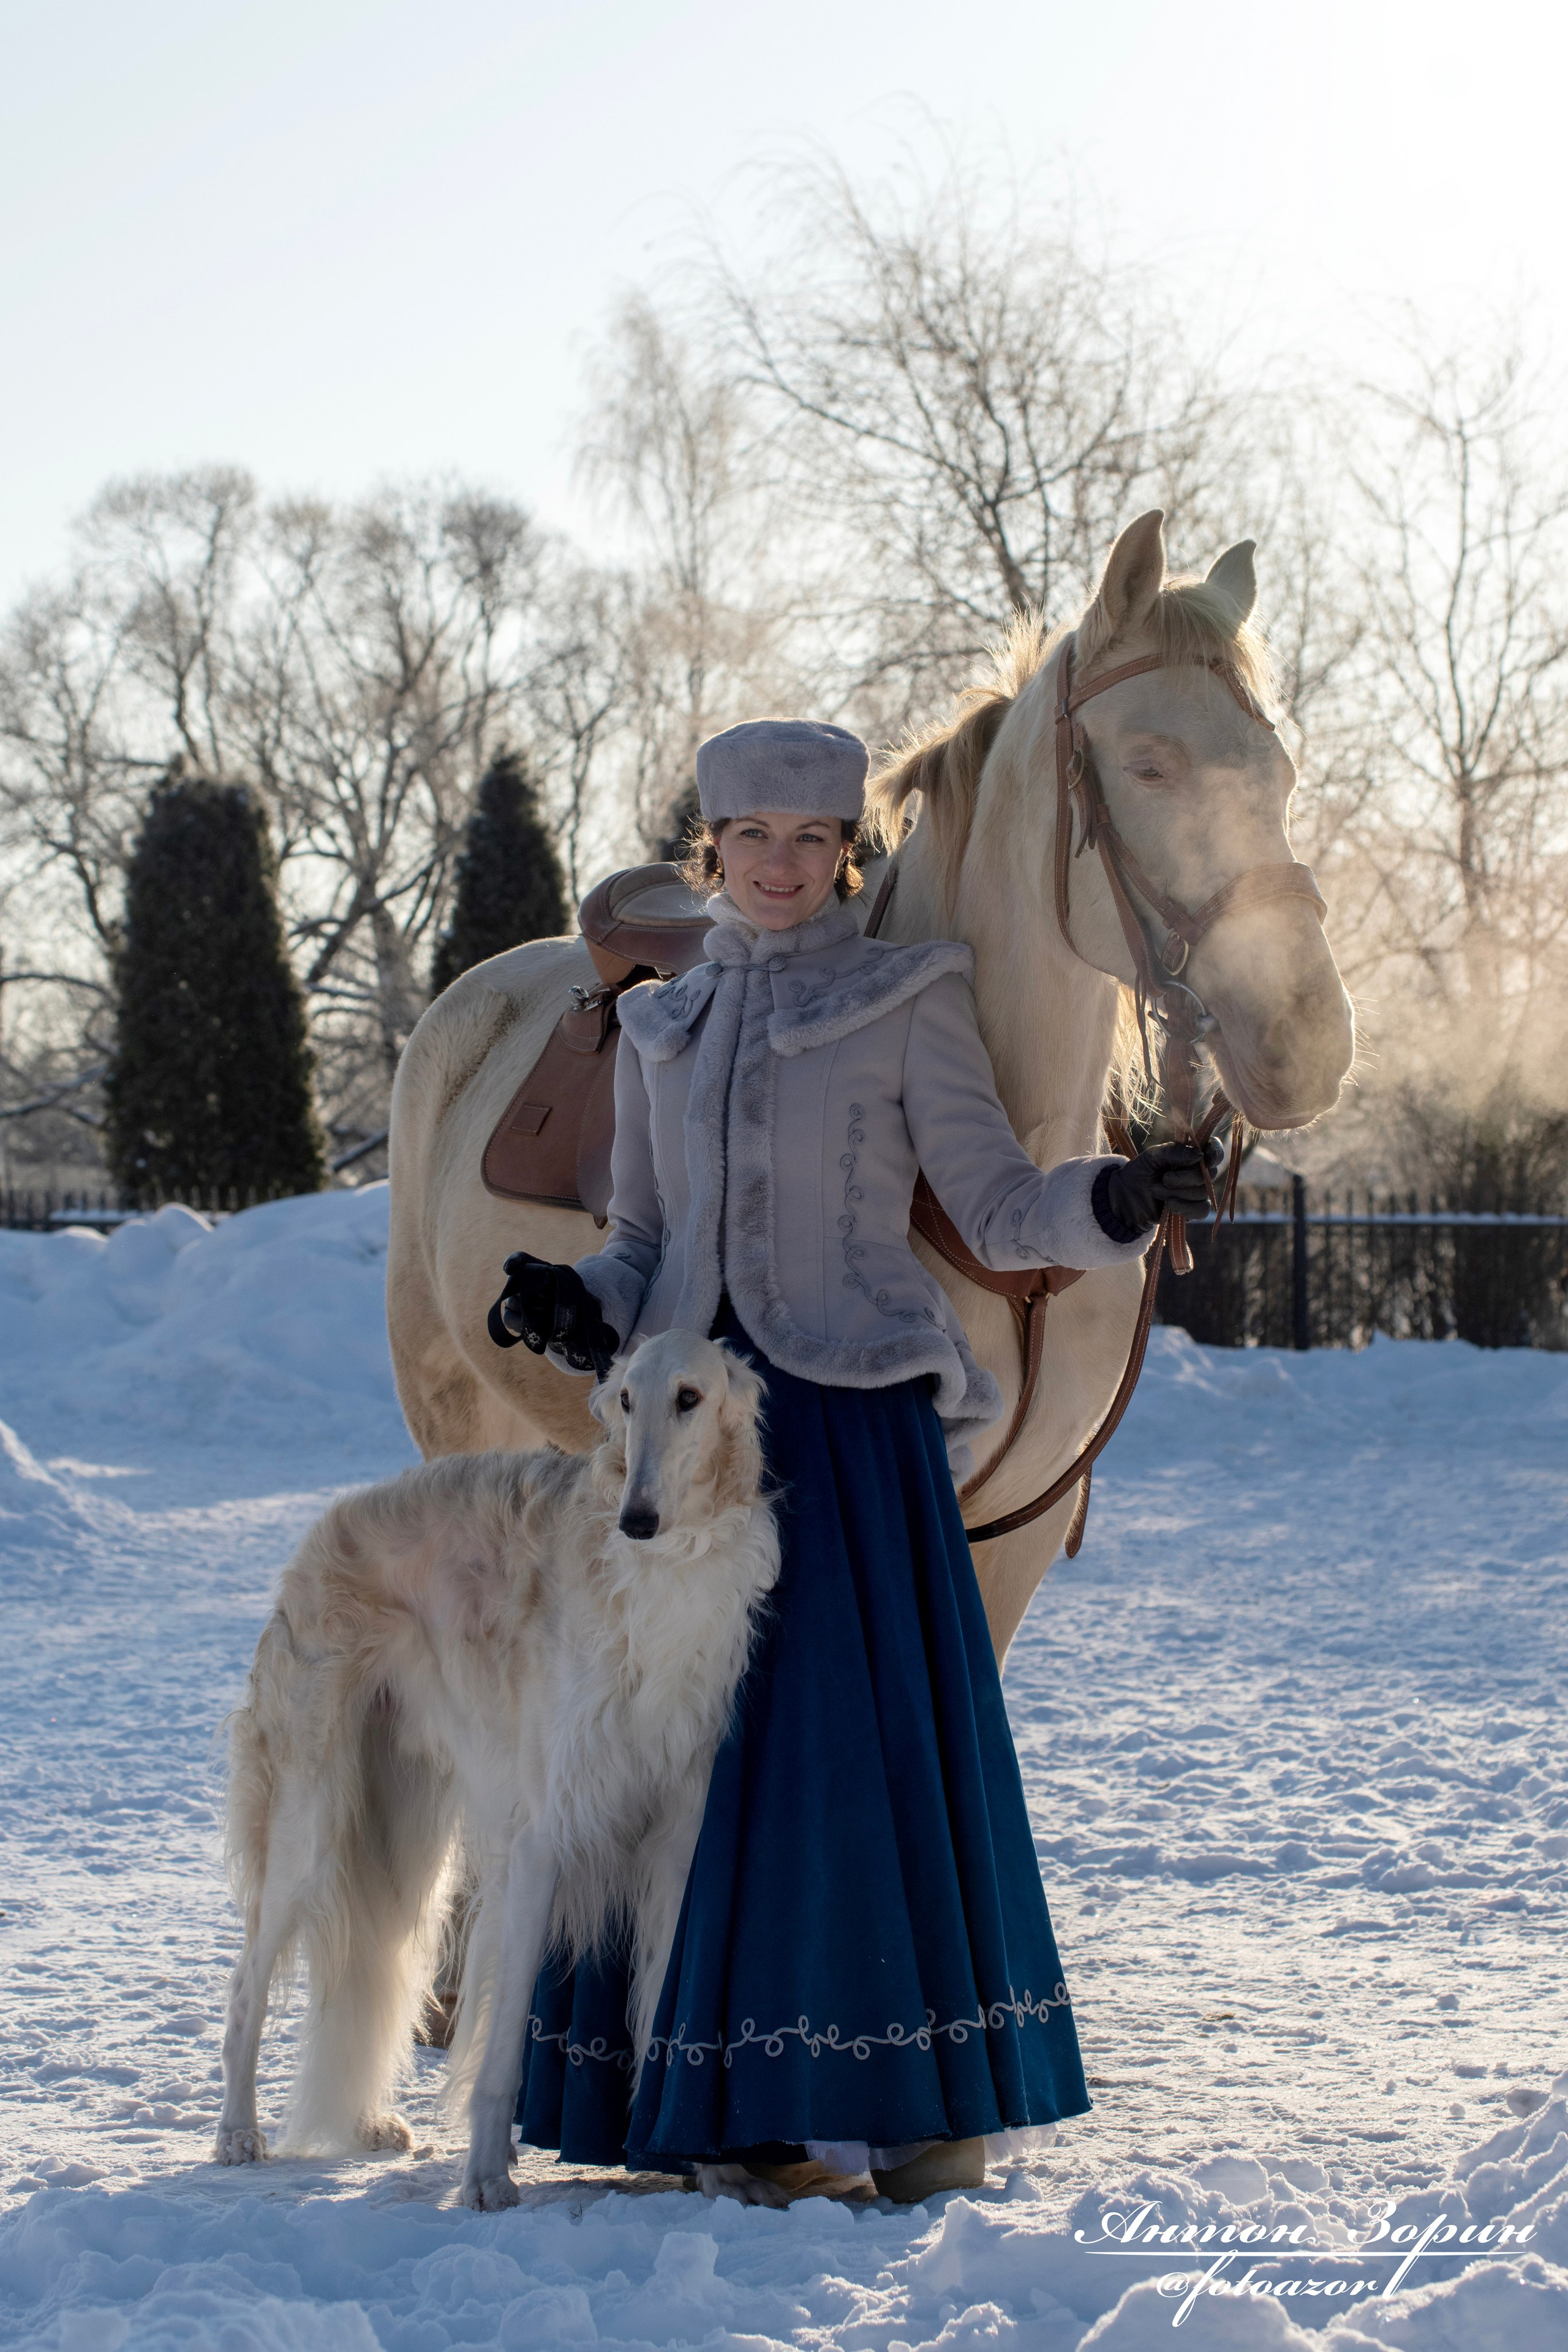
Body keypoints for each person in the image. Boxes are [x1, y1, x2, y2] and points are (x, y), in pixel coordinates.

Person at [491, 717, 1219, 2203]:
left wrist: (1118, 1199)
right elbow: (640, 1246)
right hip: (694, 1452)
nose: (777, 866)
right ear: (710, 854)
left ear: (845, 855)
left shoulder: (907, 1000)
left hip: (849, 1436)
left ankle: (916, 2104)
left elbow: (1000, 1202)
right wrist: (583, 1305)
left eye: (810, 841)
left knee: (856, 1765)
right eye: (749, 839)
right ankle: (723, 2110)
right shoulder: (658, 1028)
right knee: (690, 1763)